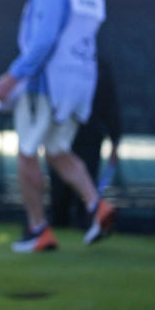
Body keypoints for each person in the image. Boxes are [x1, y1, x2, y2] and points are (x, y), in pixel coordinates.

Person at [0, 0, 116, 252]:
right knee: (58, 151)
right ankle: (96, 205)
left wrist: (12, 76)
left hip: (46, 84)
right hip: (79, 84)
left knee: (27, 153)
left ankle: (38, 229)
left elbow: (43, 41)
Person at [49, 56, 121, 229]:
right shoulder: (61, 63)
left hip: (90, 137)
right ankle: (58, 226)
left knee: (86, 181)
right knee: (59, 188)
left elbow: (111, 107)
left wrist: (115, 141)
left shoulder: (101, 67)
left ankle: (90, 224)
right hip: (63, 134)